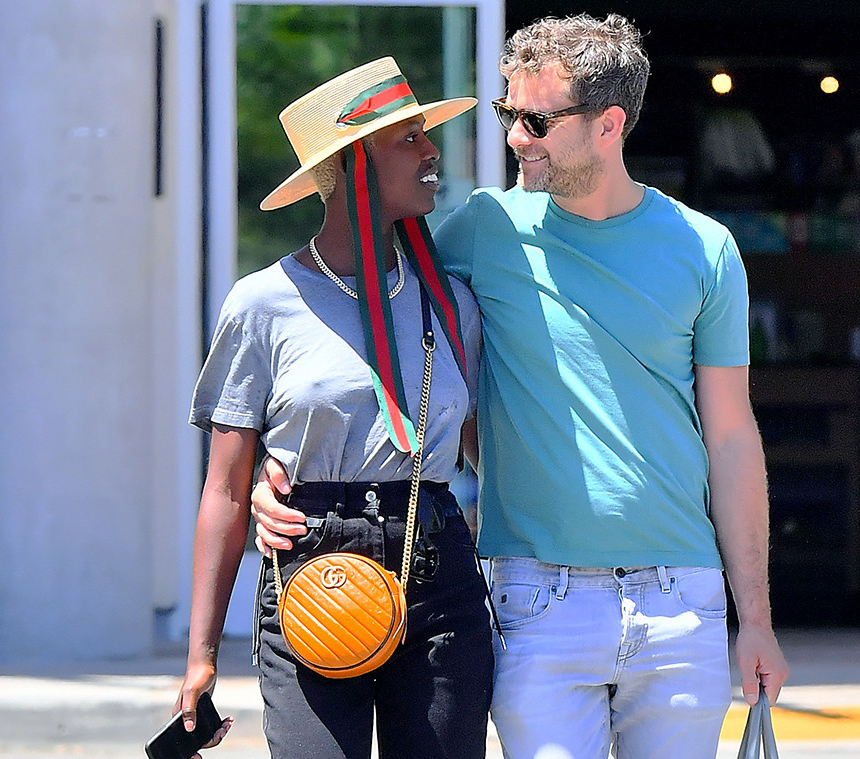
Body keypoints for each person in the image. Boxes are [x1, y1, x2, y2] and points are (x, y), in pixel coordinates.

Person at [252, 14, 789, 759]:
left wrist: (754, 616)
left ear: (608, 125)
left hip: (681, 600)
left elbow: (732, 437)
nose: (513, 137)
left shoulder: (706, 248)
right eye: (509, 114)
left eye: (535, 119)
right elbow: (368, 325)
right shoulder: (481, 229)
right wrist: (286, 467)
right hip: (537, 597)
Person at [174, 57, 492, 759]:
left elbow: (487, 456)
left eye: (423, 135)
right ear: (352, 164)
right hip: (311, 577)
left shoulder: (454, 301)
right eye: (406, 138)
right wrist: (201, 653)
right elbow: (226, 488)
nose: (431, 151)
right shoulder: (263, 303)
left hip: (438, 572)